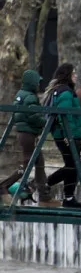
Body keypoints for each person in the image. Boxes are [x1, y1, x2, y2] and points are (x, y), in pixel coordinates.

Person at [41, 64, 81, 208]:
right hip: (67, 135)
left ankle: (69, 197)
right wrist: (68, 134)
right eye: (74, 73)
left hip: (66, 134)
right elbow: (63, 115)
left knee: (72, 165)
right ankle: (45, 183)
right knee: (73, 165)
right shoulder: (65, 92)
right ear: (67, 75)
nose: (76, 76)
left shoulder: (60, 90)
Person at [4, 71, 47, 203]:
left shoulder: (20, 95)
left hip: (23, 133)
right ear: (32, 82)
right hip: (29, 134)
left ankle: (44, 194)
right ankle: (3, 186)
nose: (39, 84)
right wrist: (46, 122)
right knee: (26, 165)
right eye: (37, 82)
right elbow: (33, 116)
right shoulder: (30, 97)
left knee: (39, 163)